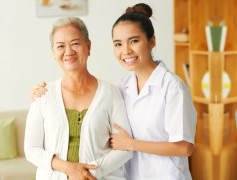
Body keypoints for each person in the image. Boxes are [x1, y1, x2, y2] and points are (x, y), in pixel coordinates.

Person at [31, 3, 197, 180]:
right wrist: (39, 95)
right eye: (118, 44)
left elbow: (184, 147)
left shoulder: (172, 87)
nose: (126, 50)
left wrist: (132, 144)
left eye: (134, 41)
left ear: (152, 41)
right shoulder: (122, 87)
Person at [24, 17, 133, 180]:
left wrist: (89, 173)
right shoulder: (43, 95)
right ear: (54, 52)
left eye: (75, 43)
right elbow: (32, 150)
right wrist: (69, 169)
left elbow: (125, 148)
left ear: (88, 47)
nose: (68, 51)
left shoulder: (111, 92)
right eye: (60, 46)